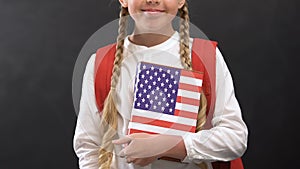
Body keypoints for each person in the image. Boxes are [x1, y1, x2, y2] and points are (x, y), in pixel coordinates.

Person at [73, 0, 248, 169]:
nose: (153, 0)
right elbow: (88, 146)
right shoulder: (100, 63)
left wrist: (173, 145)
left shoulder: (206, 56)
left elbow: (235, 138)